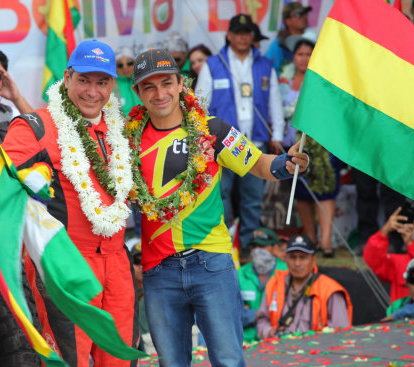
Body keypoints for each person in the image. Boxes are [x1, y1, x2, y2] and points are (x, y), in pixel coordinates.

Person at [126, 48, 309, 367]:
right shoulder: (125, 142)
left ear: (181, 84)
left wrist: (287, 163)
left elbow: (258, 163)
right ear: (137, 92)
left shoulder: (214, 129)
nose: (159, 93)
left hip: (211, 263)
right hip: (158, 271)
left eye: (167, 83)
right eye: (149, 86)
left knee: (228, 361)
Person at [2, 40, 136, 367]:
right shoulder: (35, 127)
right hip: (67, 266)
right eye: (84, 80)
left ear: (112, 85)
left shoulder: (121, 130)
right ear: (67, 77)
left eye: (102, 82)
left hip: (118, 262)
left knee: (120, 360)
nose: (93, 91)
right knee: (69, 360)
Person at [195, 14, 285, 250]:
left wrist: (276, 133)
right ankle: (222, 245)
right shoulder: (214, 64)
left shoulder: (264, 65)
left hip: (255, 140)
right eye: (239, 33)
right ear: (229, 36)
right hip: (222, 142)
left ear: (252, 36)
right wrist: (201, 137)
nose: (244, 37)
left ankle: (248, 245)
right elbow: (199, 104)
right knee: (220, 195)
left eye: (248, 33)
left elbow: (274, 100)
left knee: (253, 198)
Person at [279, 39, 340, 257]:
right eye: (300, 54)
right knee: (302, 192)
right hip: (294, 144)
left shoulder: (324, 80)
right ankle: (311, 239)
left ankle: (326, 243)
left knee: (325, 191)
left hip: (323, 146)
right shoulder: (284, 83)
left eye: (309, 54)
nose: (304, 58)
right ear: (293, 57)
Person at [256, 234, 352, 339]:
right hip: (278, 349)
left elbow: (342, 333)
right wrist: (269, 332)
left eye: (303, 257)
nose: (297, 263)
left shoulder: (329, 290)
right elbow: (262, 320)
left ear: (313, 260)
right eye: (293, 257)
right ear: (286, 259)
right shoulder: (274, 283)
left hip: (316, 352)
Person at [238, 228, 288, 343]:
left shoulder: (286, 271)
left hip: (276, 338)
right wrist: (262, 313)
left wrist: (252, 313)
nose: (257, 251)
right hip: (244, 339)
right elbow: (232, 312)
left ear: (275, 248)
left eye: (262, 246)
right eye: (254, 246)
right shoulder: (240, 274)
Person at [363, 206, 414, 303]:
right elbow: (373, 261)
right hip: (400, 317)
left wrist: (411, 244)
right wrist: (384, 231)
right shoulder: (401, 262)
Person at [265, 2, 312, 72]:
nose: (304, 17)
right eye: (299, 14)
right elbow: (270, 71)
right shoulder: (278, 45)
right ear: (287, 21)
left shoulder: (312, 39)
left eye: (305, 13)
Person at [113, 45, 141, 116]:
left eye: (129, 63)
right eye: (120, 65)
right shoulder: (110, 87)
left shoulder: (143, 81)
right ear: (115, 67)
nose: (125, 68)